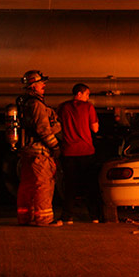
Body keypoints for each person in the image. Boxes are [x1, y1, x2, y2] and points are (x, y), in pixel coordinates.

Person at [16, 70, 63, 227]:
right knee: (43, 185)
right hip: (39, 153)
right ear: (33, 86)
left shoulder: (26, 103)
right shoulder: (36, 104)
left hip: (28, 153)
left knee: (27, 186)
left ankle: (26, 217)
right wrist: (55, 146)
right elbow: (42, 129)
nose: (44, 85)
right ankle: (44, 219)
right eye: (41, 83)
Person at [57, 83, 101, 223]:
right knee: (90, 185)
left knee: (70, 186)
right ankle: (94, 215)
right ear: (79, 94)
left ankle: (67, 215)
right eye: (87, 94)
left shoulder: (63, 107)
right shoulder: (88, 107)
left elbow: (57, 126)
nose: (88, 97)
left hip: (68, 152)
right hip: (86, 151)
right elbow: (95, 129)